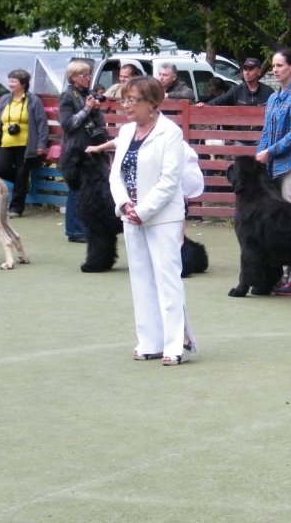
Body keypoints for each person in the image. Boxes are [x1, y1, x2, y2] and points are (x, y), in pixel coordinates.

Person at [108, 76, 198, 365]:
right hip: (131, 217)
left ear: (152, 103)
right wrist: (124, 204)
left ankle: (175, 345)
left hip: (163, 218)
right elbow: (116, 175)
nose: (126, 105)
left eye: (132, 100)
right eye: (124, 99)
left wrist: (143, 210)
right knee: (141, 280)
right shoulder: (124, 132)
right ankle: (149, 341)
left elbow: (170, 180)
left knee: (167, 279)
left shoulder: (170, 133)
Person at [256, 49, 291, 296]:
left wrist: (269, 152)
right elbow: (266, 133)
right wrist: (260, 155)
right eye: (274, 66)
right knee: (277, 225)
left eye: (280, 65)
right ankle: (280, 277)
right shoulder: (273, 98)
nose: (275, 70)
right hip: (272, 167)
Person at [58, 60, 108, 243]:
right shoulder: (67, 96)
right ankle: (75, 231)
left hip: (93, 148)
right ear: (73, 77)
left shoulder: (88, 94)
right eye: (84, 75)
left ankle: (89, 228)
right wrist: (87, 109)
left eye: (89, 74)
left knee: (92, 191)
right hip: (75, 151)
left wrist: (95, 110)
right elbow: (68, 124)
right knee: (76, 190)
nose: (88, 78)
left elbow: (99, 123)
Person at [0, 69, 49, 217]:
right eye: (9, 80)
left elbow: (42, 123)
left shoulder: (33, 101)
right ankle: (22, 184)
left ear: (23, 84)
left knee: (22, 173)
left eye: (13, 81)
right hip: (6, 142)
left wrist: (41, 145)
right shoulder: (4, 99)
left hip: (26, 144)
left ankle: (16, 208)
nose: (10, 84)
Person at [196, 57, 275, 146]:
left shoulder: (268, 91)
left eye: (251, 69)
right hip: (240, 137)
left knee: (262, 156)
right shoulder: (237, 90)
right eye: (245, 69)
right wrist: (206, 104)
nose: (247, 72)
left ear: (259, 71)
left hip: (260, 137)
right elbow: (221, 100)